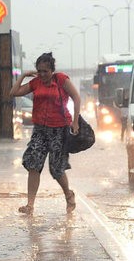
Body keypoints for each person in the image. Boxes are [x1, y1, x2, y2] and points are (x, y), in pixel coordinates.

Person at [10, 52, 81, 216]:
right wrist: (23, 75)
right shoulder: (35, 83)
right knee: (33, 164)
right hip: (40, 130)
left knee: (56, 169)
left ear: (52, 70)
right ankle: (30, 205)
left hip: (59, 129)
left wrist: (75, 121)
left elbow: (76, 98)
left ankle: (68, 195)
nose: (42, 74)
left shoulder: (61, 80)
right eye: (39, 71)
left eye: (45, 71)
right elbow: (13, 92)